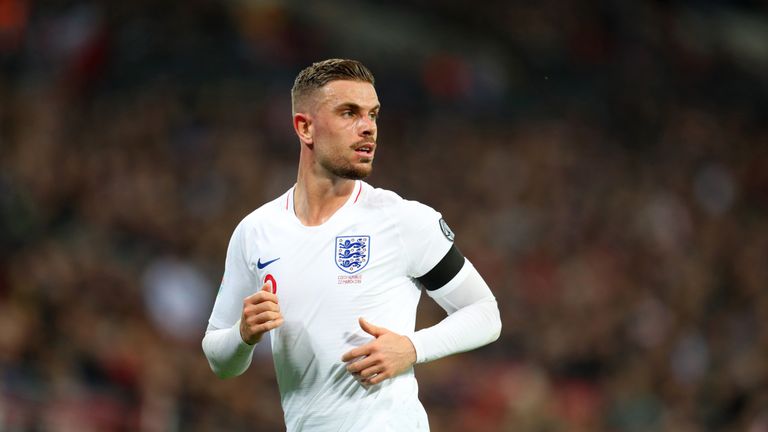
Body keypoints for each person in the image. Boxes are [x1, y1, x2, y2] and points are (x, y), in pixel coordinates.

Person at [202, 58, 501, 431]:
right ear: (305, 126)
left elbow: (485, 313)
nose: (368, 128)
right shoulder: (256, 231)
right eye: (349, 113)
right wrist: (243, 335)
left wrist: (412, 348)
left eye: (373, 115)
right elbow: (220, 359)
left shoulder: (402, 220)